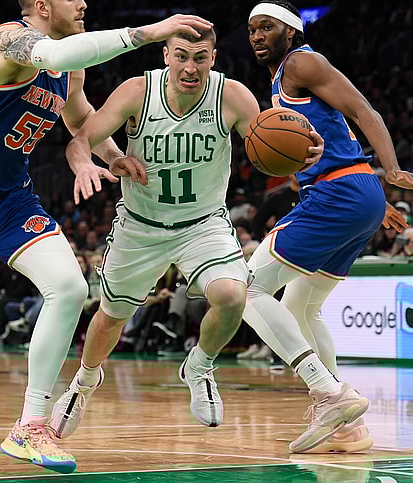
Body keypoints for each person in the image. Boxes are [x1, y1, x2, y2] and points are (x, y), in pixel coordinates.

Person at [0, 0, 212, 474]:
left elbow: (80, 120)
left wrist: (102, 157)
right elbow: (57, 58)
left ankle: (32, 422)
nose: (84, 3)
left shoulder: (70, 63)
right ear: (42, 6)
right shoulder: (5, 41)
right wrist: (150, 32)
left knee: (69, 287)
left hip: (10, 201)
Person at [46, 25, 306, 438]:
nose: (190, 66)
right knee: (111, 319)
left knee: (233, 295)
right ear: (165, 55)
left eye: (200, 58)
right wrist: (93, 164)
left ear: (213, 59)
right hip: (141, 226)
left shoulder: (232, 96)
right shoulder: (136, 91)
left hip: (202, 224)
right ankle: (84, 382)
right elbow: (80, 142)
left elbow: (268, 147)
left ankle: (199, 366)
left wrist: (303, 153)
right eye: (181, 55)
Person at [242, 0, 413, 453]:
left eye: (267, 27)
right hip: (351, 193)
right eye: (251, 30)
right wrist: (371, 198)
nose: (257, 36)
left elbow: (365, 111)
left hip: (343, 191)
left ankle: (330, 394)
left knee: (245, 288)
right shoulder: (282, 77)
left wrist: (392, 170)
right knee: (303, 308)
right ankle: (347, 428)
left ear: (290, 30)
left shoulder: (303, 61)